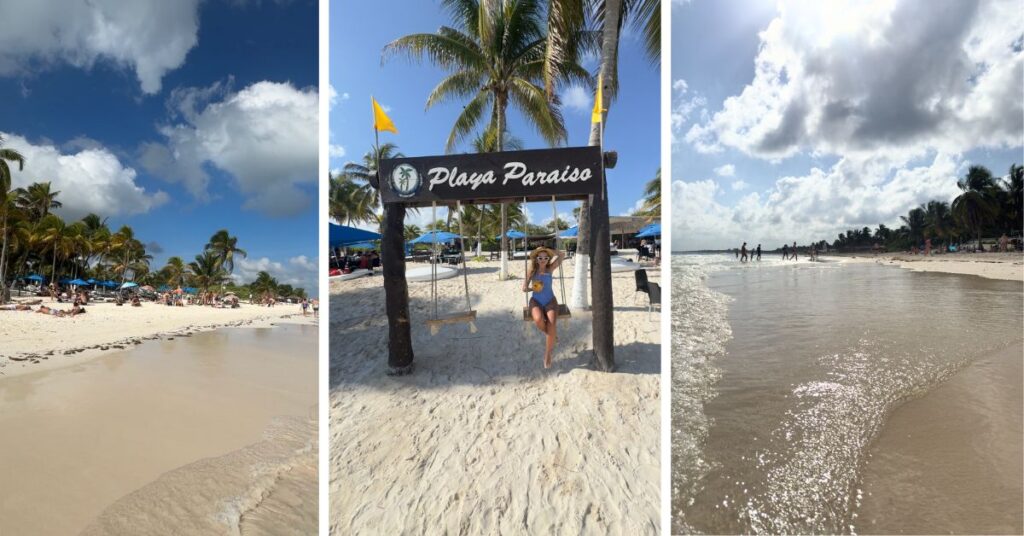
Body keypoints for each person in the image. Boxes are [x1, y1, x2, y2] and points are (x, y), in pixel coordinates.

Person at [522, 246, 563, 369]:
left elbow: (562, 255)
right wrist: (531, 288)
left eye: (546, 257)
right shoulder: (532, 271)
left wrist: (549, 250)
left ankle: (547, 354)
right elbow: (524, 288)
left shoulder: (550, 269)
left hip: (550, 300)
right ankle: (551, 334)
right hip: (536, 301)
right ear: (536, 259)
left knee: (551, 323)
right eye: (540, 257)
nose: (543, 259)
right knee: (539, 319)